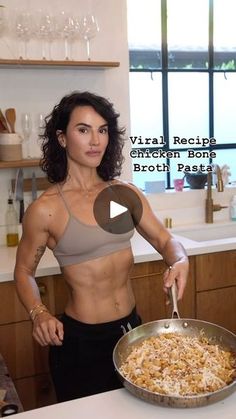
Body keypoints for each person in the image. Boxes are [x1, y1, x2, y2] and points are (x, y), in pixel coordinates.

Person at [14, 91, 189, 403]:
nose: (95, 140)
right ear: (62, 138)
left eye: (103, 130)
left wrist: (180, 260)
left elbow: (166, 240)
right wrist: (38, 313)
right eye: (83, 130)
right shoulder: (47, 209)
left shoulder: (121, 195)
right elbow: (24, 271)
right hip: (81, 343)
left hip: (133, 331)